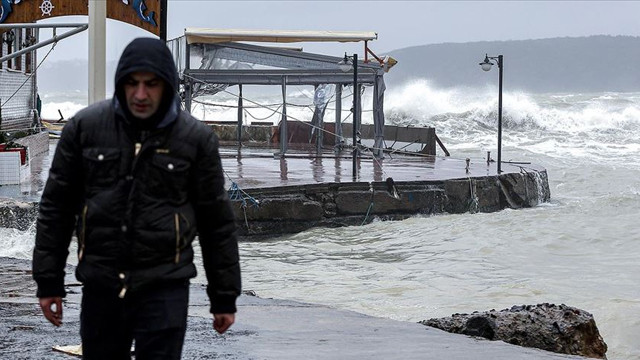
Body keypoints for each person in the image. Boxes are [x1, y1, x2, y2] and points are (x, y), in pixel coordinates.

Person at [32, 37, 241, 359]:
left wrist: (224, 297)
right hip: (102, 285)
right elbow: (56, 210)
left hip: (166, 287)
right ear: (121, 83)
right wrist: (49, 283)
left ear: (167, 85)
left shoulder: (195, 139)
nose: (140, 94)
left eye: (151, 84)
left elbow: (217, 224)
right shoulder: (85, 128)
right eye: (132, 83)